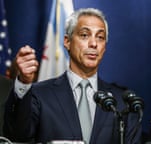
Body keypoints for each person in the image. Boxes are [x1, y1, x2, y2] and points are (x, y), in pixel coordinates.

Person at [3, 8, 141, 144]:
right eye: (84, 35)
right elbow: (17, 136)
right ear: (67, 41)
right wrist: (24, 83)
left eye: (100, 37)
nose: (93, 44)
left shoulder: (123, 103)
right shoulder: (39, 95)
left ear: (104, 47)